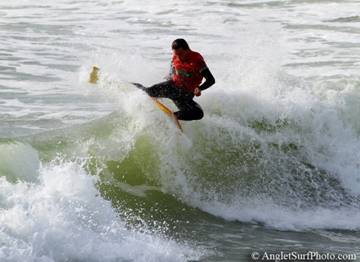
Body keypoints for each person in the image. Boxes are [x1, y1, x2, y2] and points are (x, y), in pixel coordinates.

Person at [134, 38, 215, 121]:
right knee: (147, 91)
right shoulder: (175, 56)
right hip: (172, 87)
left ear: (187, 50)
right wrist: (170, 75)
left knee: (198, 113)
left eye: (180, 54)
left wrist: (200, 88)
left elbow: (211, 80)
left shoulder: (197, 60)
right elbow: (173, 68)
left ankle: (171, 116)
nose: (178, 57)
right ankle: (127, 85)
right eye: (176, 54)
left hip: (185, 95)